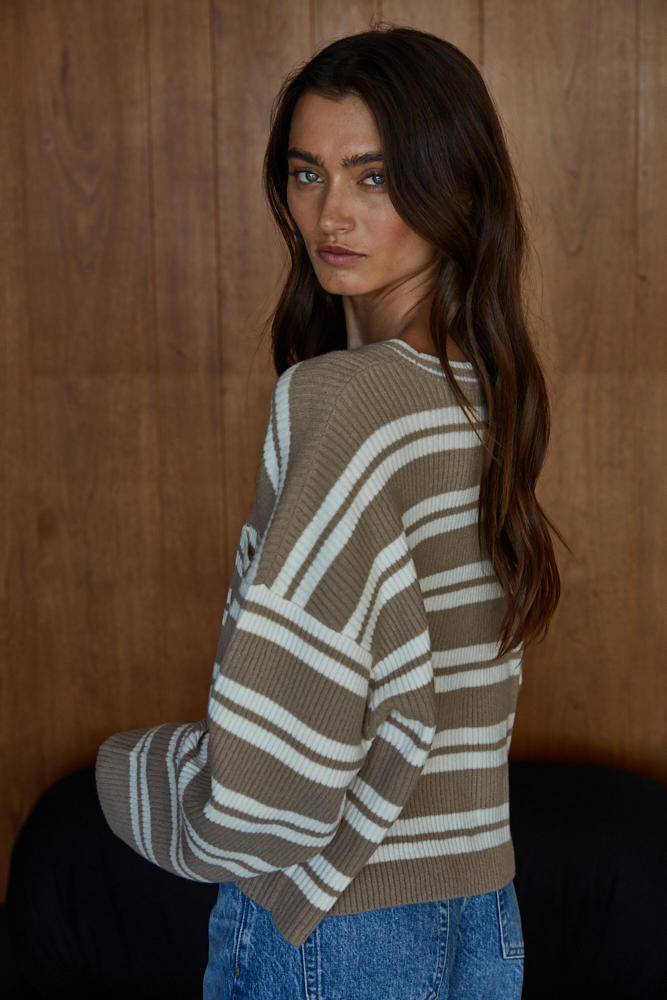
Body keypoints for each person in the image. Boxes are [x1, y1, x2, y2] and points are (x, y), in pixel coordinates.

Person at [96, 24, 564, 999]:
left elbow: (267, 785)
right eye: (307, 174)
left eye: (374, 176)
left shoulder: (341, 400)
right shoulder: (488, 395)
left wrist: (139, 778)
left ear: (455, 187)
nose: (330, 213)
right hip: (484, 906)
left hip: (342, 922)